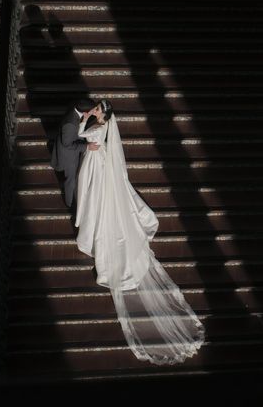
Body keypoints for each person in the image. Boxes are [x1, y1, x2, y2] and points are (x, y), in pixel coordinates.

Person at [74, 99, 205, 365]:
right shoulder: (105, 128)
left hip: (97, 172)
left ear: (104, 114)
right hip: (98, 170)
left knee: (98, 205)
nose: (95, 111)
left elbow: (81, 136)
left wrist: (83, 118)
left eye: (98, 109)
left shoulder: (98, 128)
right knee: (99, 203)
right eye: (96, 108)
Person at [49, 98, 99, 209]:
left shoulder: (75, 111)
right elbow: (67, 144)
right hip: (68, 156)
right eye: (92, 110)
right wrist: (87, 146)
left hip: (73, 148)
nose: (94, 111)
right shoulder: (70, 124)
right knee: (70, 180)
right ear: (85, 112)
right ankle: (70, 204)